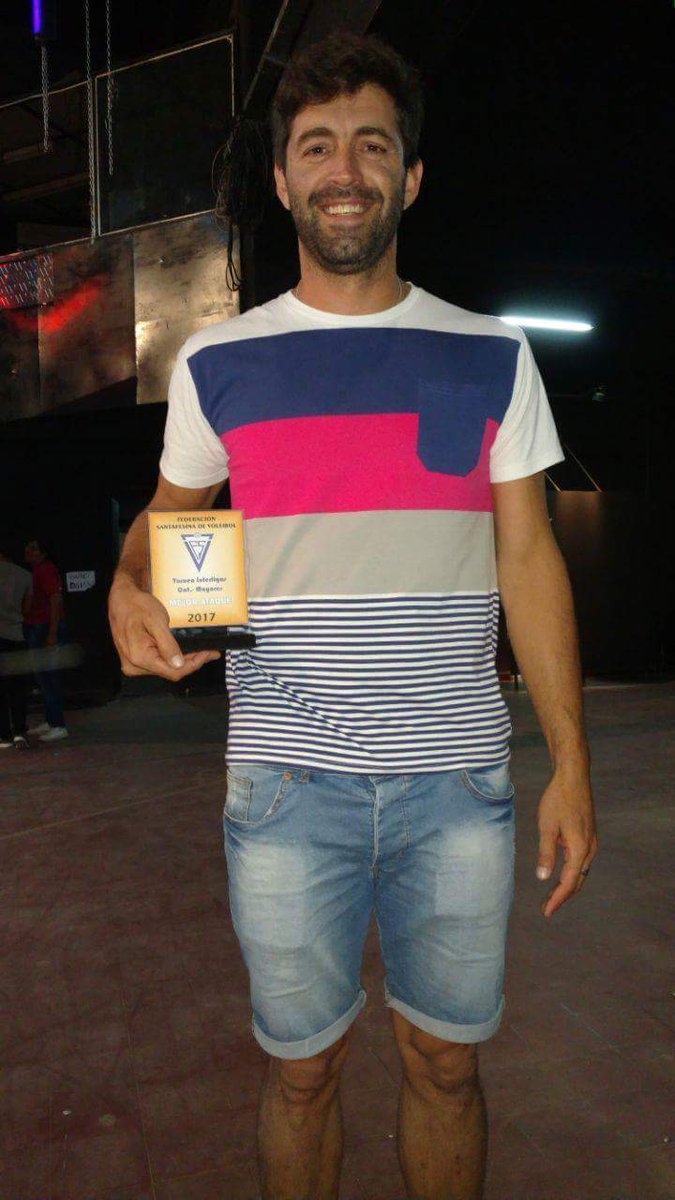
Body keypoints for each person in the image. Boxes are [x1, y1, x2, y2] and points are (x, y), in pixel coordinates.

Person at [109, 32, 599, 1200]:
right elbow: (165, 521)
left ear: (410, 178)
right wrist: (130, 582)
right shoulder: (219, 361)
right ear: (283, 181)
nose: (346, 169)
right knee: (301, 1076)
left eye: (373, 146)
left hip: (456, 785)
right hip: (287, 783)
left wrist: (572, 765)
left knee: (446, 1065)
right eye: (318, 147)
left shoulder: (491, 354)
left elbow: (529, 559)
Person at [24, 537, 69, 742]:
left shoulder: (45, 570)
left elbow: (55, 600)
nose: (28, 551)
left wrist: (52, 632)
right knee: (43, 677)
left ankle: (59, 725)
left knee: (49, 677)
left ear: (43, 553)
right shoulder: (38, 571)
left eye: (34, 549)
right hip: (39, 627)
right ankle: (51, 721)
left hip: (44, 627)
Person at [0, 546, 32, 750]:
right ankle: (20, 730)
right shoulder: (25, 575)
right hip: (16, 634)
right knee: (18, 688)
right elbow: (27, 608)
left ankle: (4, 735)